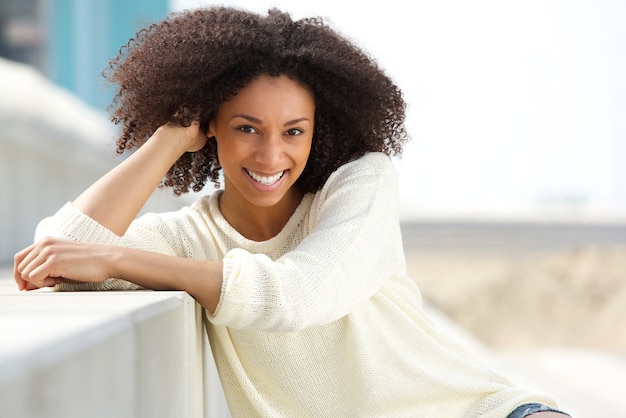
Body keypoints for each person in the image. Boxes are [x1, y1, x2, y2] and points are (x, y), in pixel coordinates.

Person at [13, 7, 570, 418]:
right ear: (211, 129)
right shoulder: (186, 240)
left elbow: (296, 295)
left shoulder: (358, 186)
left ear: (318, 131)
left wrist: (117, 256)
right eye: (246, 128)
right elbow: (56, 256)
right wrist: (165, 140)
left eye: (293, 132)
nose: (271, 155)